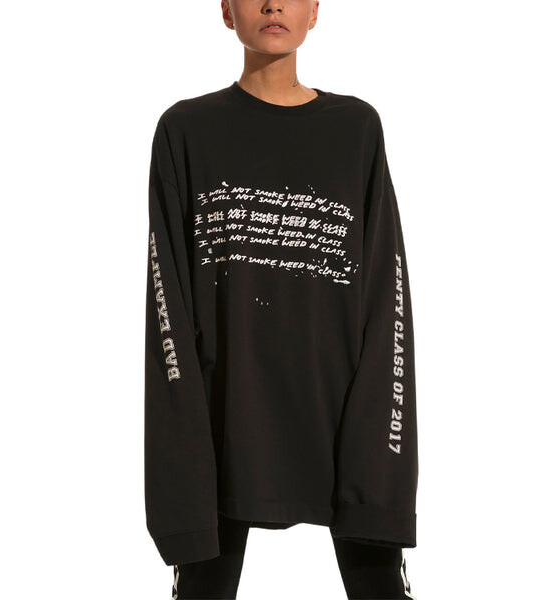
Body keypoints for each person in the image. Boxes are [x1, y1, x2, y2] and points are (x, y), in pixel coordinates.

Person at [144, 1, 419, 598]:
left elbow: (385, 295)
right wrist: (183, 465)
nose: (273, 4)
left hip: (346, 424)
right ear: (226, 11)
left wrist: (381, 456)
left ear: (314, 11)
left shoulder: (356, 129)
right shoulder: (186, 130)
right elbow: (169, 304)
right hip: (223, 428)